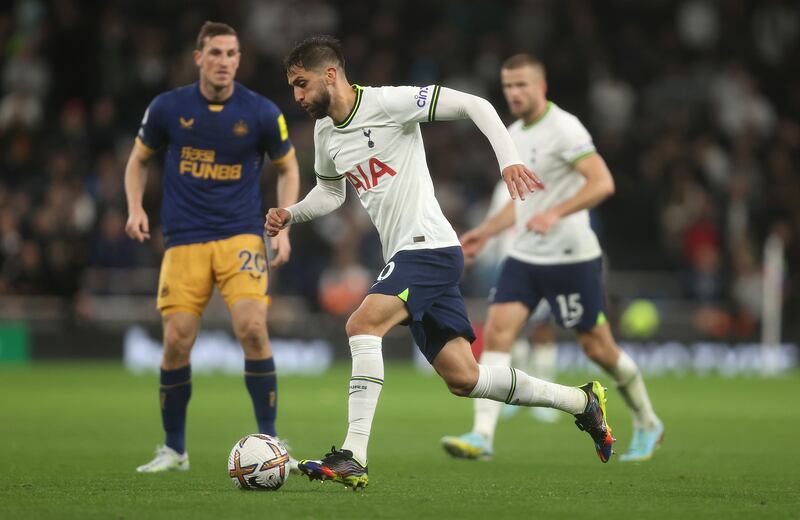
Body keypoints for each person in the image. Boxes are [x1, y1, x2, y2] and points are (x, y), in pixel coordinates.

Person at [265, 35, 614, 490]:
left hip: (427, 248)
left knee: (361, 325)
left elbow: (476, 105)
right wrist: (292, 213)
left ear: (330, 74)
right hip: (410, 254)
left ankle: (353, 454)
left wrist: (508, 161)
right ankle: (581, 401)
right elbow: (332, 193)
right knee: (463, 378)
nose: (297, 96)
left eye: (301, 84)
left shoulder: (389, 103)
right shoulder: (325, 133)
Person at [441, 54, 663, 463]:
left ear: (542, 87)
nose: (514, 93)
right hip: (525, 256)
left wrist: (556, 212)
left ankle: (648, 420)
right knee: (499, 330)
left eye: (522, 85)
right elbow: (522, 202)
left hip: (571, 258)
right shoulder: (512, 133)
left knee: (598, 349)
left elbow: (603, 182)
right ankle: (482, 434)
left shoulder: (565, 128)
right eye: (508, 86)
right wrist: (485, 233)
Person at [125, 21, 300, 473]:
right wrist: (135, 208)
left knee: (253, 329)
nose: (225, 61)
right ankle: (174, 450)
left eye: (232, 53)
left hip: (241, 234)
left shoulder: (260, 112)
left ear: (240, 60)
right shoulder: (168, 107)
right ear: (198, 57)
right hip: (184, 239)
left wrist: (284, 223)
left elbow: (288, 166)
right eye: (216, 53)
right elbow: (137, 161)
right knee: (177, 340)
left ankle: (272, 438)